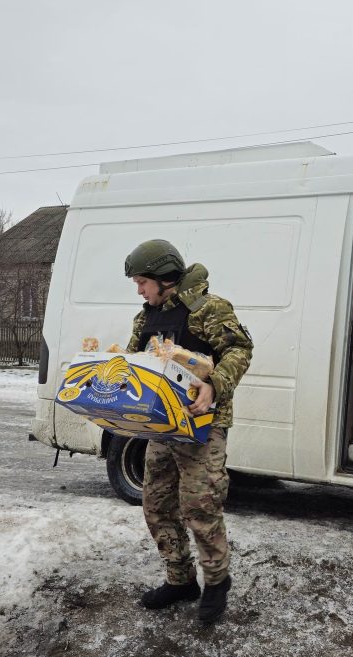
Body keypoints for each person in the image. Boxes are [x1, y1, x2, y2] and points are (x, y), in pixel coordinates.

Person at [123, 239, 253, 626]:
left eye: (143, 281)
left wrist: (217, 384)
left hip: (201, 427)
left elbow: (239, 351)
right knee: (157, 506)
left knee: (200, 507)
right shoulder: (145, 317)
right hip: (162, 427)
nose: (139, 289)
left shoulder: (210, 309)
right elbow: (134, 362)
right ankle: (180, 580)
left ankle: (216, 582)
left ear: (165, 278)